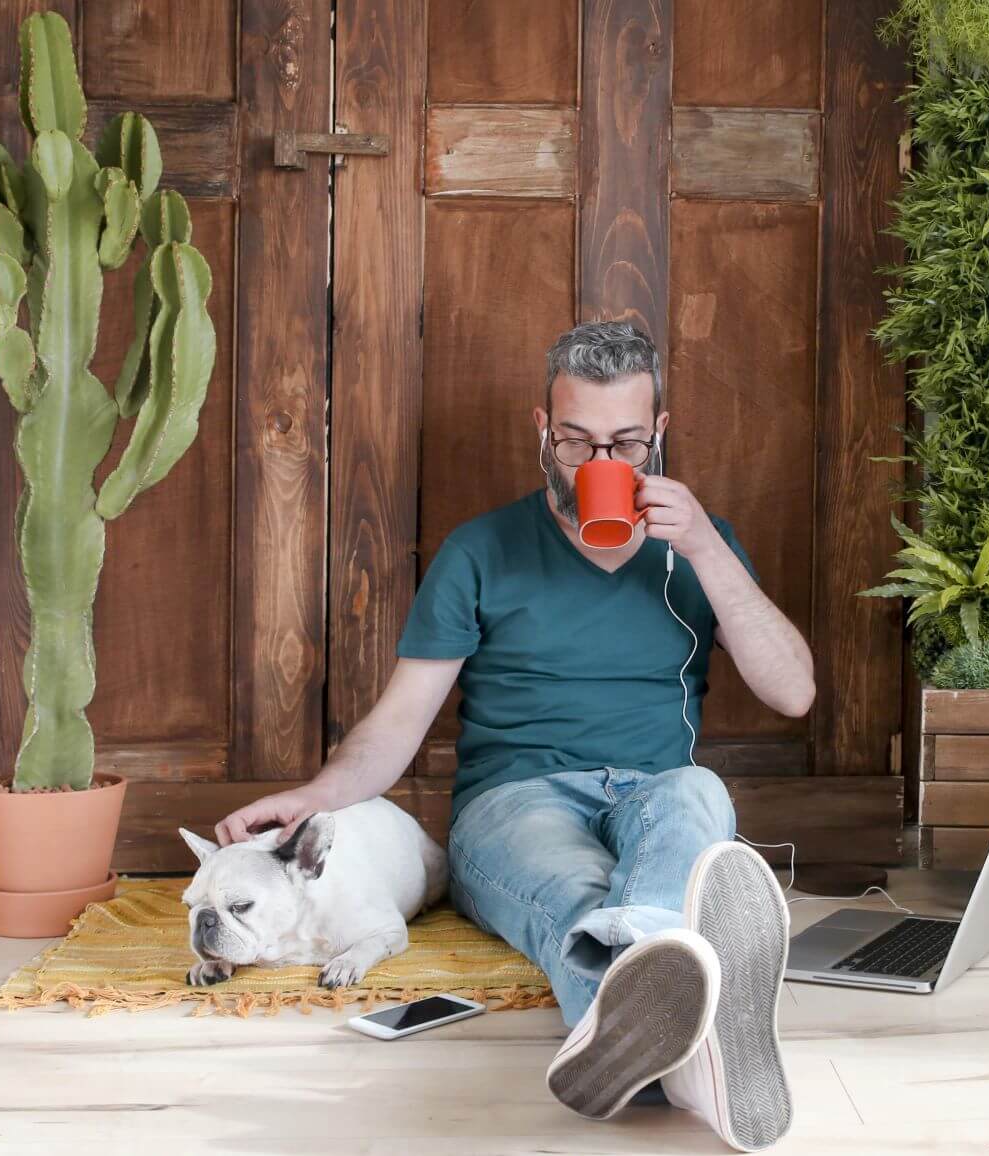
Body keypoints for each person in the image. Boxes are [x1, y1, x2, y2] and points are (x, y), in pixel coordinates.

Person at [214, 321, 815, 1150]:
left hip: (652, 795)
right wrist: (313, 799)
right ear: (542, 430)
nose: (600, 463)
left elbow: (793, 693)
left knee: (697, 793)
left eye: (627, 443)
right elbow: (397, 725)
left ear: (659, 435)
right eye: (575, 440)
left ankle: (647, 1024)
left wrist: (708, 547)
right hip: (514, 804)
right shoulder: (481, 551)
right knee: (574, 895)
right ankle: (698, 1046)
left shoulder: (697, 552)